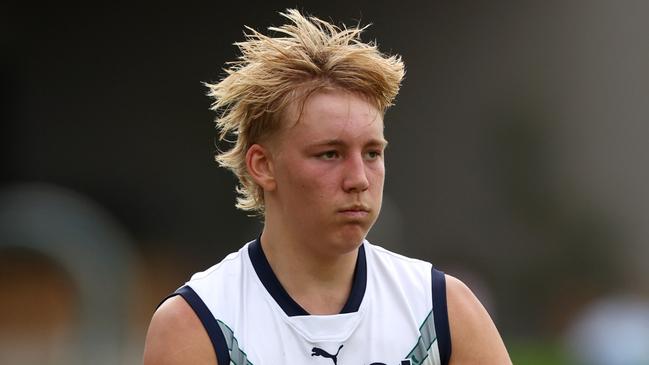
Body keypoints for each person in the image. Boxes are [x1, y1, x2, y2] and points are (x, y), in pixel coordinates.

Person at [143, 9, 511, 365]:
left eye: (371, 153)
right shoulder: (199, 322)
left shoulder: (443, 309)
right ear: (263, 165)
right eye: (330, 154)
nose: (359, 179)